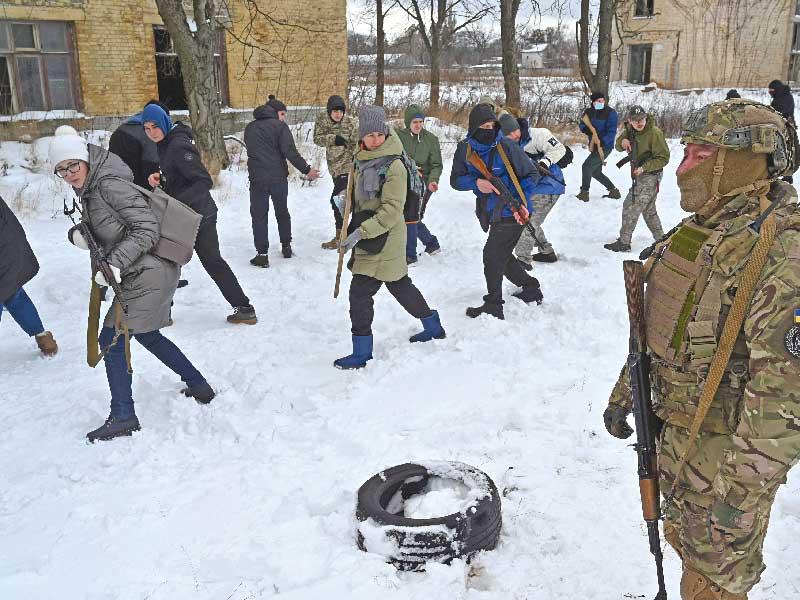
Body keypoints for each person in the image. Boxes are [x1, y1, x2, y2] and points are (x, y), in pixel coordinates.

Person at [603, 100, 800, 600]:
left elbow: (783, 400)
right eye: (685, 152)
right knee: (681, 544)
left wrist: (737, 496)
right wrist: (629, 389)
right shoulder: (705, 228)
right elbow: (659, 326)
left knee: (713, 581)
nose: (682, 168)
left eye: (698, 155)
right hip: (677, 438)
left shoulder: (782, 251)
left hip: (727, 465)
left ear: (740, 162)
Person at [49, 126, 215, 442]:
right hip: (142, 271)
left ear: (85, 160)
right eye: (61, 169)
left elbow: (146, 229)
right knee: (146, 334)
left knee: (111, 338)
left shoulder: (108, 185)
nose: (69, 173)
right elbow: (112, 227)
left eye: (73, 165)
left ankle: (124, 415)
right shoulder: (92, 187)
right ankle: (198, 384)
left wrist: (114, 262)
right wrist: (83, 237)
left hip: (147, 271)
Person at [334, 105, 445, 370]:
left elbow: (392, 211)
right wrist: (344, 203)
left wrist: (360, 233)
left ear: (385, 133)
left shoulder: (394, 165)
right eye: (369, 135)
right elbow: (361, 199)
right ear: (362, 137)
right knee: (400, 286)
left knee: (360, 294)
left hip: (385, 237)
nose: (375, 139)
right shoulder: (360, 160)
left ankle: (362, 353)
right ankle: (433, 325)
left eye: (378, 134)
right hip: (371, 234)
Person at [141, 103, 257, 324]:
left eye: (154, 126)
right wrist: (162, 178)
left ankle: (244, 308)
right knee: (168, 260)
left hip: (197, 216)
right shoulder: (165, 143)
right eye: (146, 128)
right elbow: (180, 176)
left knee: (192, 262)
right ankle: (242, 308)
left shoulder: (177, 146)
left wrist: (176, 202)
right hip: (186, 215)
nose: (151, 132)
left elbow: (202, 180)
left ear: (164, 123)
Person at [450, 105, 543, 320]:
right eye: (484, 126)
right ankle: (530, 287)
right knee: (501, 255)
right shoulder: (465, 150)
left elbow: (531, 174)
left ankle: (494, 304)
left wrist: (519, 201)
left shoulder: (506, 146)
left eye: (492, 125)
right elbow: (456, 180)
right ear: (474, 127)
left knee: (492, 256)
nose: (489, 129)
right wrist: (477, 183)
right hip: (491, 212)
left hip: (515, 211)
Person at [243, 96, 320, 266]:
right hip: (278, 178)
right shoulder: (280, 127)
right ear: (275, 112)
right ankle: (286, 246)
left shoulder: (249, 128)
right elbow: (290, 152)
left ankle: (262, 255)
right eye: (283, 114)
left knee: (259, 216)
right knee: (282, 212)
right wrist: (307, 170)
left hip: (257, 180)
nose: (284, 118)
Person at [498, 114, 568, 264]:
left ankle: (523, 262)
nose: (513, 136)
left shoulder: (539, 135)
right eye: (508, 135)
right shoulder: (506, 145)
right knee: (529, 219)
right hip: (530, 188)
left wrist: (544, 163)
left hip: (549, 185)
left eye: (514, 132)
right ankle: (546, 251)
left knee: (526, 223)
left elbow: (560, 149)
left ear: (518, 127)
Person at [603, 105, 670, 253]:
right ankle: (662, 240)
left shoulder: (654, 133)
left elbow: (664, 158)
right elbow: (618, 145)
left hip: (651, 175)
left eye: (641, 119)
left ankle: (624, 242)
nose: (639, 123)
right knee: (648, 210)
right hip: (640, 175)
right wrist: (623, 142)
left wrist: (644, 168)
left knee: (631, 206)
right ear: (630, 121)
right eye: (635, 120)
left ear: (646, 118)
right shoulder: (630, 130)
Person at [0, 194, 58, 356]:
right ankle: (43, 337)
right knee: (12, 293)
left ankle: (43, 337)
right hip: (11, 249)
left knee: (9, 291)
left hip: (5, 252)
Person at [396, 104, 443, 264]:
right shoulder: (398, 137)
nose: (418, 125)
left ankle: (410, 255)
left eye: (421, 122)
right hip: (403, 182)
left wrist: (433, 181)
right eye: (414, 122)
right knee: (410, 216)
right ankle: (431, 243)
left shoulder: (431, 140)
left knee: (411, 216)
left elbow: (437, 164)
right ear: (408, 122)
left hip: (423, 184)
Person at [313, 94, 359, 249]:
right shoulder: (322, 119)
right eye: (335, 111)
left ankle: (341, 237)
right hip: (334, 167)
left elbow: (357, 145)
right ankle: (348, 232)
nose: (338, 114)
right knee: (345, 202)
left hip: (348, 166)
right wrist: (333, 138)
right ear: (329, 111)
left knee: (337, 200)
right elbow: (317, 138)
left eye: (341, 111)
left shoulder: (352, 123)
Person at [108, 99, 166, 189]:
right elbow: (150, 167)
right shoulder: (150, 132)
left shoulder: (121, 128)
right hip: (135, 191)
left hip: (115, 186)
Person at [577, 91, 620, 202]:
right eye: (598, 101)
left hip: (605, 147)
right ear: (593, 102)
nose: (601, 102)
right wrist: (586, 130)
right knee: (595, 172)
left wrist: (602, 142)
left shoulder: (611, 113)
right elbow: (582, 124)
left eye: (602, 100)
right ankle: (614, 191)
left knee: (586, 166)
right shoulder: (589, 112)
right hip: (594, 145)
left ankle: (584, 193)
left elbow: (612, 132)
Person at [768, 80, 796, 185]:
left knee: (786, 151)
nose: (770, 92)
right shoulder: (781, 95)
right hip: (780, 127)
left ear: (776, 89)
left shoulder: (784, 97)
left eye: (771, 90)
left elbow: (779, 111)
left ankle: (788, 176)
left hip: (786, 128)